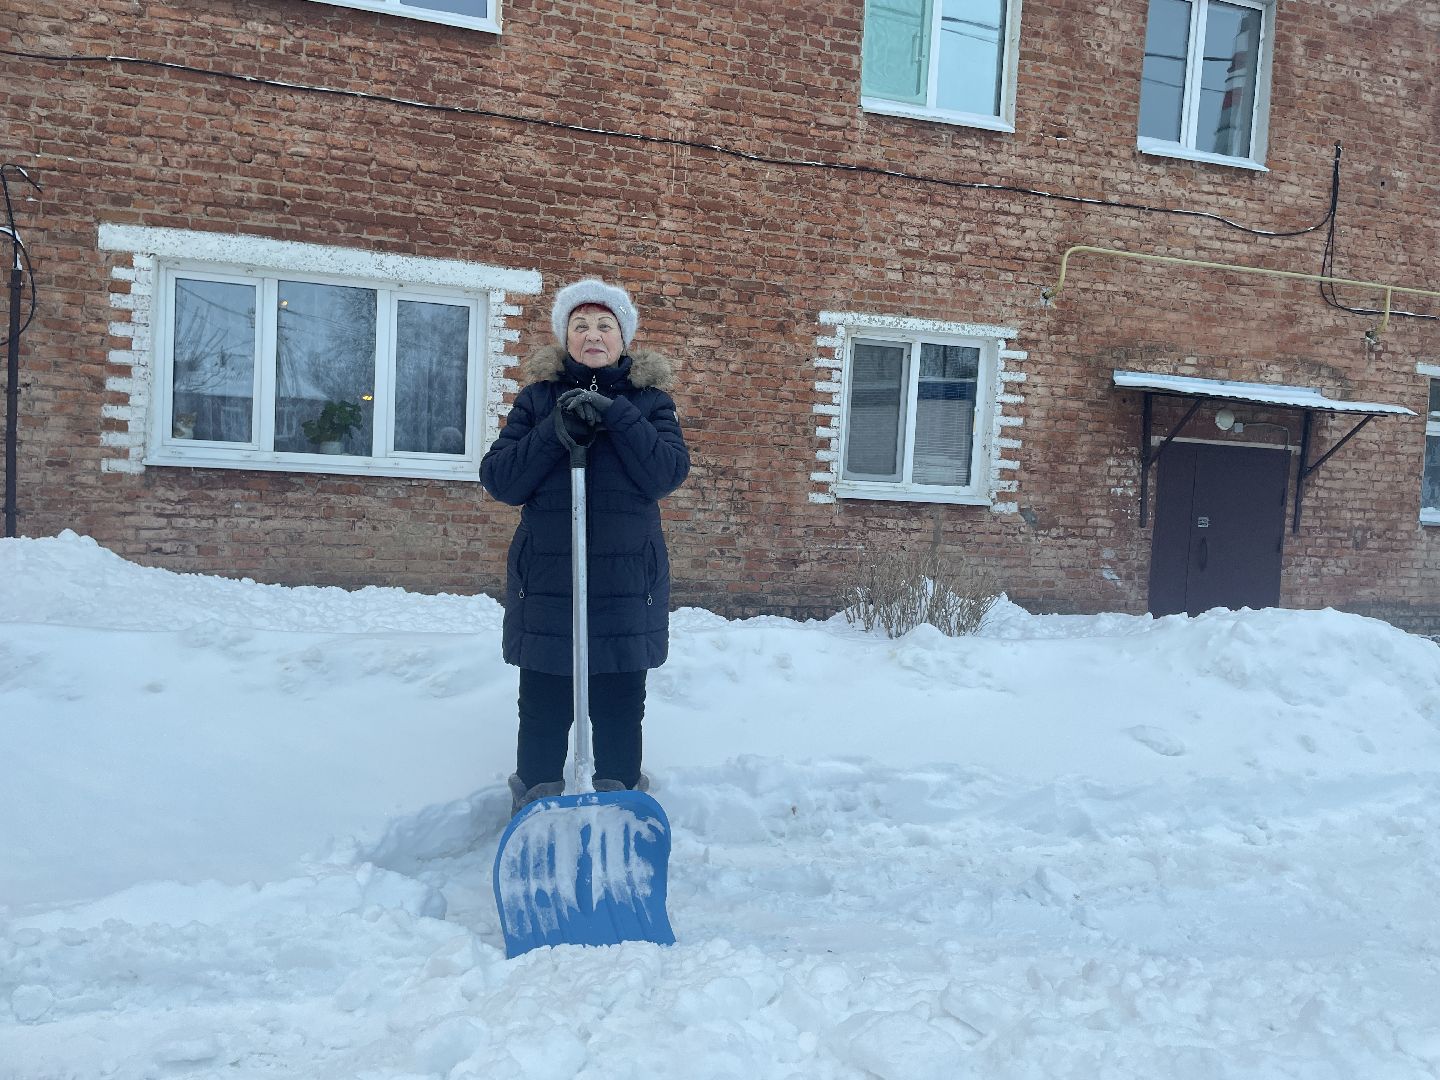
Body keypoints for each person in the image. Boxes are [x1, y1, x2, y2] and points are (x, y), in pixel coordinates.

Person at [480, 278, 690, 815]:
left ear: (624, 338)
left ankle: (621, 808)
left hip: (625, 584)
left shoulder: (650, 403)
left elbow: (665, 473)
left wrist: (614, 414)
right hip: (550, 581)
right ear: (564, 337)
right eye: (580, 325)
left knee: (620, 702)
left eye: (604, 325)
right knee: (545, 703)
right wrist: (555, 428)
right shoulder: (536, 400)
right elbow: (501, 480)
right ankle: (535, 807)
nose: (592, 334)